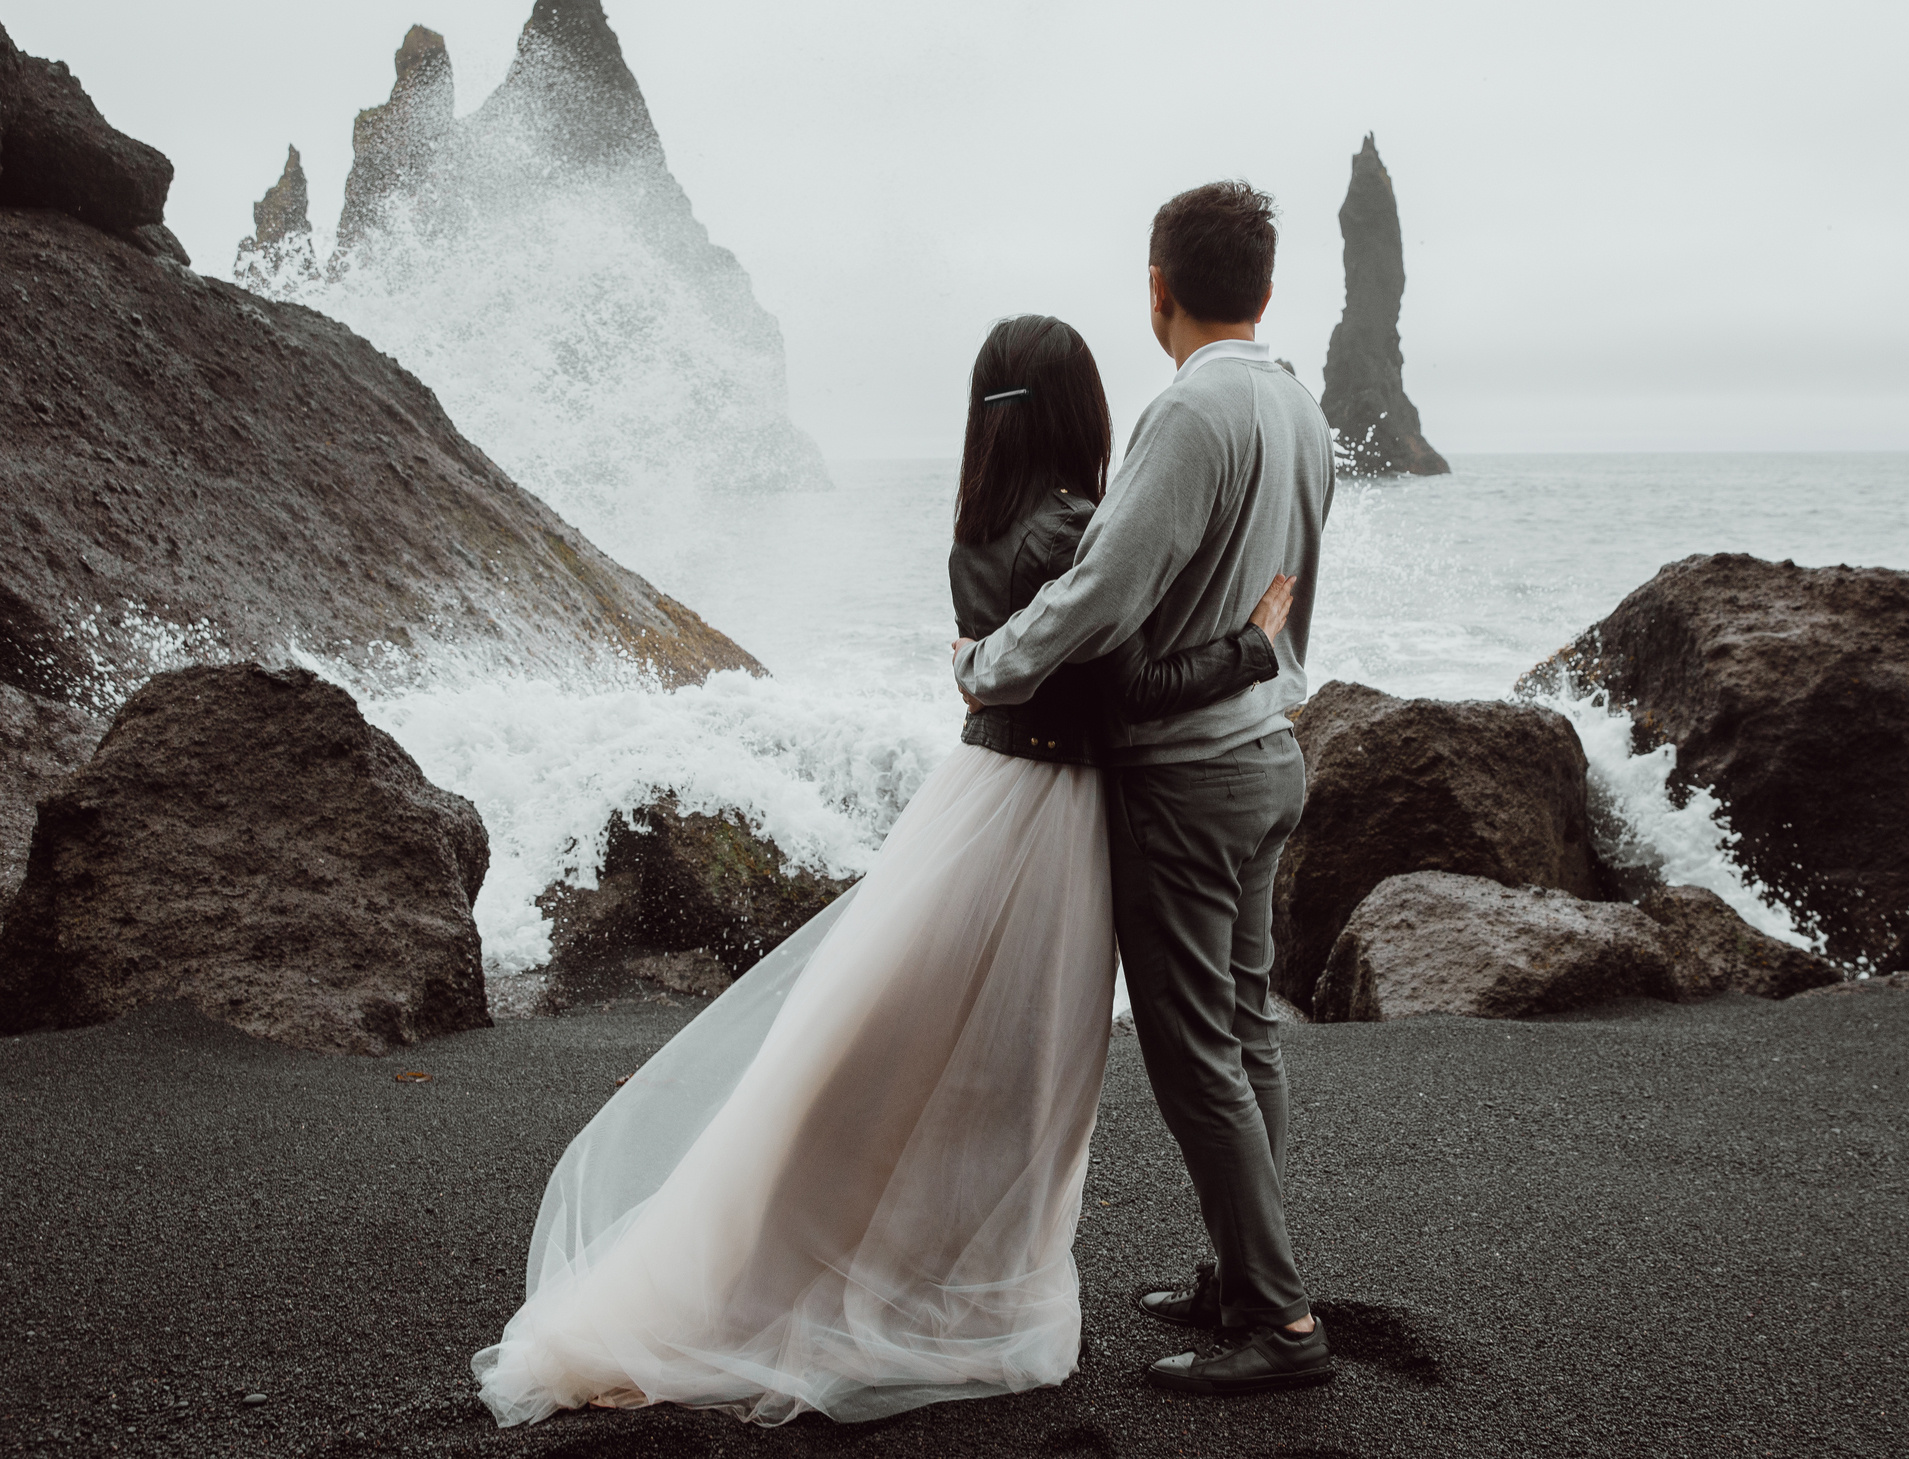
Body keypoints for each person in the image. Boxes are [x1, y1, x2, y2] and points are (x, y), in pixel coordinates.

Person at [469, 312, 1293, 1427]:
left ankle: (869, 1271)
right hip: (1053, 820)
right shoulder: (1075, 532)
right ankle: (960, 1296)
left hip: (978, 799)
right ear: (1083, 412)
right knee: (1015, 1079)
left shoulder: (980, 526)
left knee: (905, 1051)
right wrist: (1253, 646)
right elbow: (1130, 693)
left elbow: (1016, 670)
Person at [952, 179, 1335, 1397]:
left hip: (1185, 777)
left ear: (1158, 288)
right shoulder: (1301, 412)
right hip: (1269, 754)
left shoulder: (1189, 414)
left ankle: (1279, 1325)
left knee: (1194, 1061)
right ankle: (1236, 1277)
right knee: (1246, 1030)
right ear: (1266, 289)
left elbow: (1100, 596)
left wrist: (986, 665)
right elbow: (1286, 608)